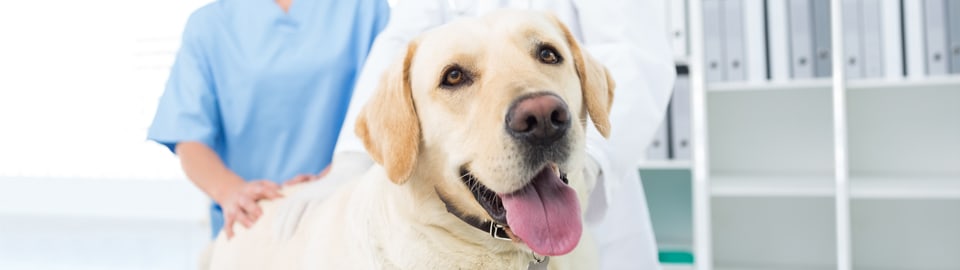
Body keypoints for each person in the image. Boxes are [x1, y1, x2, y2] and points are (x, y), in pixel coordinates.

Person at [331, 1, 676, 269]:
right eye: (455, 77)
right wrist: (346, 168)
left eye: (546, 54)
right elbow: (401, 42)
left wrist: (589, 164)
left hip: (602, 229)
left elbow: (635, 52)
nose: (538, 114)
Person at [147, 0, 389, 238]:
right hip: (250, 227)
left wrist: (342, 173)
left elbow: (392, 112)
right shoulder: (209, 24)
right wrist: (232, 191)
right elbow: (188, 136)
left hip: (344, 215)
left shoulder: (367, 9)